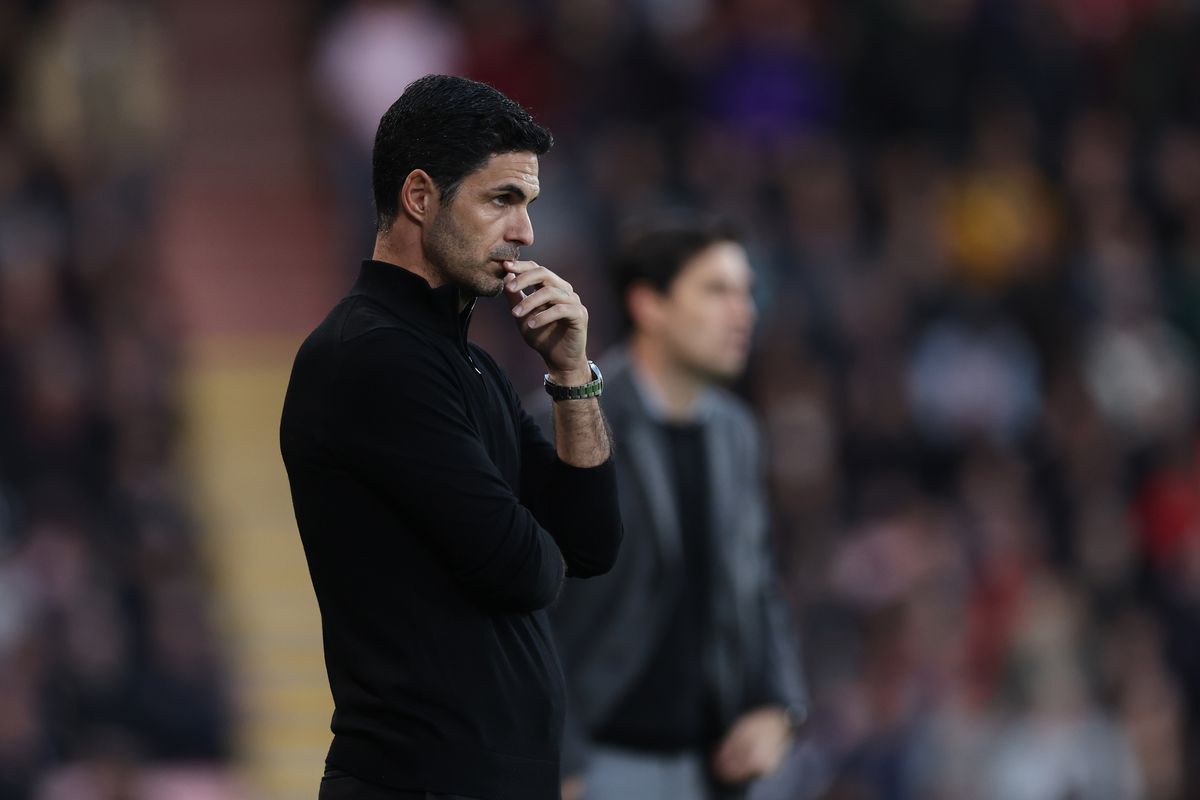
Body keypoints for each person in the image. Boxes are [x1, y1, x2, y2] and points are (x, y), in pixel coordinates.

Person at [279, 75, 622, 800]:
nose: (525, 233)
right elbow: (525, 571)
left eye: (528, 205)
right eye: (502, 200)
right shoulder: (370, 357)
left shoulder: (472, 367)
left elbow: (591, 544)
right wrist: (540, 538)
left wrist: (571, 376)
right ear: (419, 196)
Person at [548, 213, 806, 800]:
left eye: (746, 292)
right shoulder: (570, 419)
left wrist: (778, 704)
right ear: (649, 305)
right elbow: (534, 608)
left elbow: (759, 585)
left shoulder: (738, 433)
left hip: (712, 768)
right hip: (595, 766)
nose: (744, 312)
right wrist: (556, 753)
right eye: (717, 291)